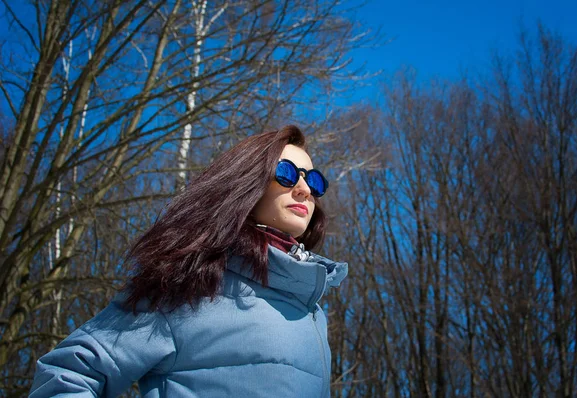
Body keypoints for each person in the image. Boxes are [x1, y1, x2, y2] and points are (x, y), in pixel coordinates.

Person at [29, 125, 348, 397]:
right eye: (287, 174)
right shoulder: (187, 284)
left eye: (313, 179)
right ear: (247, 181)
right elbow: (68, 373)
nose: (305, 189)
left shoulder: (312, 314)